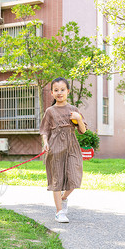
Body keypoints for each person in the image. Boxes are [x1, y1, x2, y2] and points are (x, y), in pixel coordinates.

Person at [40, 77, 87, 223]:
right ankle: (59, 212)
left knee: (75, 178)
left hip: (72, 146)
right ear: (52, 93)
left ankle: (63, 198)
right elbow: (44, 131)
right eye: (56, 90)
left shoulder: (74, 110)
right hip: (55, 147)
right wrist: (46, 143)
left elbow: (83, 130)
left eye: (62, 90)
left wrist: (78, 119)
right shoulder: (50, 111)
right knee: (57, 180)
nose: (59, 93)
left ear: (68, 91)